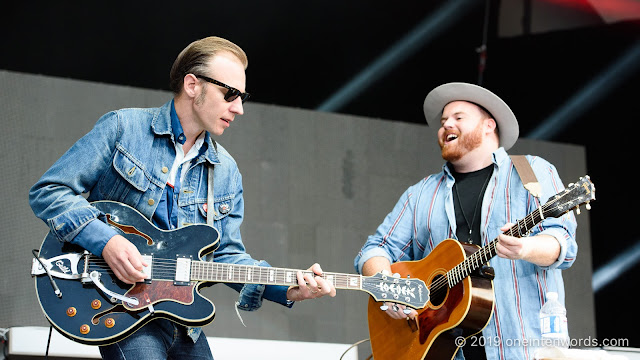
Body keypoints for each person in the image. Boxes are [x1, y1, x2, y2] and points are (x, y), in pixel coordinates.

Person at [29, 36, 336, 360]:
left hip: (180, 319)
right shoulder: (124, 128)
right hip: (119, 306)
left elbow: (226, 254)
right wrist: (107, 242)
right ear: (192, 85)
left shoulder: (226, 171)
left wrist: (288, 287)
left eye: (242, 97)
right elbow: (49, 191)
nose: (239, 108)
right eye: (229, 93)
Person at [354, 82, 578, 359]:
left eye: (458, 117)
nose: (446, 124)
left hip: (521, 346)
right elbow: (376, 248)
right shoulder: (421, 193)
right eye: (444, 120)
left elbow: (562, 242)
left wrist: (526, 249)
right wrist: (387, 288)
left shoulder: (531, 171)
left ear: (489, 125)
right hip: (442, 351)